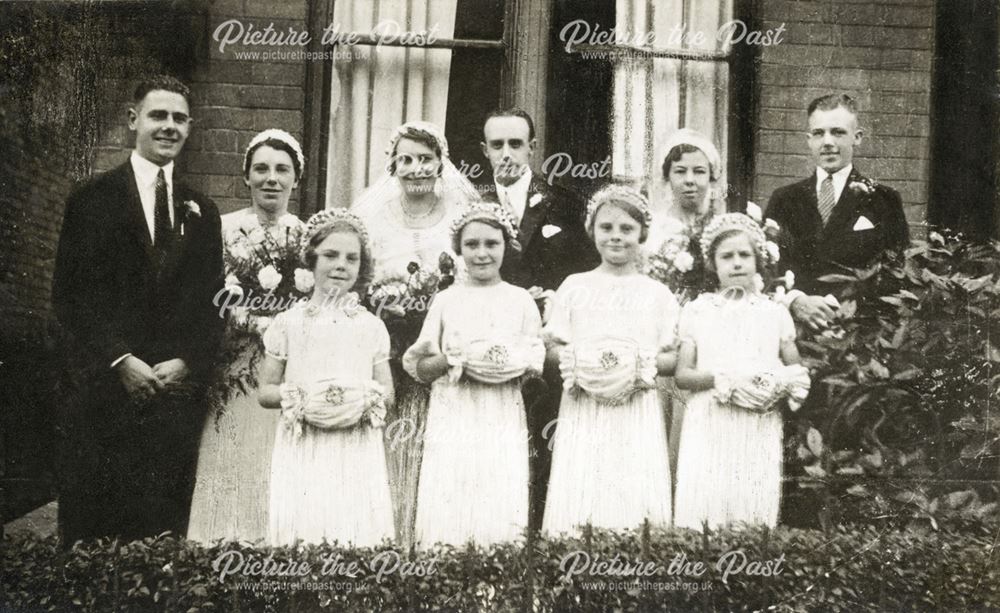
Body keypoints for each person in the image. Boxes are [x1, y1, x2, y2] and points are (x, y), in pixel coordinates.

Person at [52, 75, 224, 544]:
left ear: (190, 128)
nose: (168, 126)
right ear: (133, 121)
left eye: (179, 118)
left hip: (172, 403)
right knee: (95, 538)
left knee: (161, 540)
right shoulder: (91, 199)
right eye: (158, 115)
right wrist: (120, 360)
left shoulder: (202, 210)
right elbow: (70, 298)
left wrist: (187, 360)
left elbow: (213, 303)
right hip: (105, 398)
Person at [351, 120, 478, 547]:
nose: (416, 168)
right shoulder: (372, 219)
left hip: (441, 357)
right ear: (394, 166)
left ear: (442, 164)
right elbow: (360, 283)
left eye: (426, 159)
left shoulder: (461, 217)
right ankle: (389, 545)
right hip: (391, 353)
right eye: (406, 159)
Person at [479, 108, 600, 531]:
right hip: (489, 345)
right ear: (485, 151)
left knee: (545, 441)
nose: (507, 154)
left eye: (516, 144)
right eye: (497, 145)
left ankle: (541, 532)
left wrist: (555, 297)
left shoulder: (565, 204)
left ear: (532, 147)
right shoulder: (471, 203)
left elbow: (588, 276)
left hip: (546, 346)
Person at [187, 129, 306, 544]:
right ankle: (219, 550)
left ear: (296, 178)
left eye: (281, 169)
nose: (271, 178)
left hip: (286, 369)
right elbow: (210, 296)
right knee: (231, 452)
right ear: (247, 177)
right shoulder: (221, 229)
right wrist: (254, 323)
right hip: (236, 364)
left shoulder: (307, 237)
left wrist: (284, 327)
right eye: (261, 169)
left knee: (276, 458)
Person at [404, 200, 543, 546]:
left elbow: (533, 363)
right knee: (452, 492)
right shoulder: (446, 301)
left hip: (500, 413)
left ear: (506, 247)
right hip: (454, 411)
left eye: (491, 244)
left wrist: (514, 366)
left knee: (498, 495)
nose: (482, 254)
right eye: (472, 245)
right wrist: (451, 360)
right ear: (458, 250)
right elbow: (420, 368)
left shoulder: (520, 301)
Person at [542, 185, 679, 534]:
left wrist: (635, 366)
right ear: (592, 231)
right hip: (584, 406)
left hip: (637, 407)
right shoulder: (575, 286)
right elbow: (552, 347)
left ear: (642, 234)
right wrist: (580, 363)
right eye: (607, 228)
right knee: (584, 491)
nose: (616, 237)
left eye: (626, 229)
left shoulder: (656, 293)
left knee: (631, 493)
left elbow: (673, 358)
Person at [257, 209, 395, 547]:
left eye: (352, 258)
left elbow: (388, 392)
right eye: (330, 255)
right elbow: (265, 391)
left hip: (355, 442)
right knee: (305, 528)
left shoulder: (371, 325)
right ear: (311, 259)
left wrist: (360, 398)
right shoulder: (289, 322)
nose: (340, 265)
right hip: (305, 441)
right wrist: (302, 398)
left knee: (353, 529)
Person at [672, 213, 810, 529]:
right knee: (706, 510)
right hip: (709, 419)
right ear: (712, 264)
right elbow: (683, 375)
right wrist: (725, 379)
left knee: (750, 509)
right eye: (727, 256)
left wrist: (771, 385)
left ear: (758, 260)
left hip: (757, 421)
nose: (736, 263)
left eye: (744, 255)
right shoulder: (697, 311)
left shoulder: (775, 314)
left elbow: (797, 372)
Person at [766, 94, 909, 330]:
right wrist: (795, 302)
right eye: (819, 133)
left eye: (838, 132)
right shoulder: (784, 199)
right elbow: (769, 268)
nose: (828, 142)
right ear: (809, 140)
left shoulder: (884, 200)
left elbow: (897, 274)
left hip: (859, 333)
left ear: (857, 137)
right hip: (795, 332)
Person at [647, 127, 724, 257]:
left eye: (699, 171)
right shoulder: (653, 229)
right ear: (667, 177)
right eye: (680, 171)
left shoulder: (721, 229)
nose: (689, 180)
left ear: (710, 177)